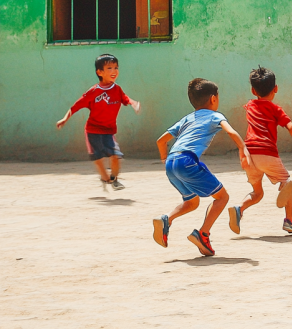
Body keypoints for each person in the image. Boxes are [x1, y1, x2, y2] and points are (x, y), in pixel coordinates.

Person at [153, 78, 252, 256]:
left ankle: (166, 219)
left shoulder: (187, 118)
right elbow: (230, 131)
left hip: (171, 162)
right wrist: (243, 147)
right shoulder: (215, 115)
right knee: (222, 197)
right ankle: (203, 233)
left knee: (192, 202)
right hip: (187, 161)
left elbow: (161, 141)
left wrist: (164, 159)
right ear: (213, 99)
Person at [228, 67, 292, 236]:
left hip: (248, 155)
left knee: (257, 193)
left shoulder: (250, 105)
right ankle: (289, 220)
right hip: (267, 153)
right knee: (287, 182)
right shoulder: (275, 109)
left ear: (252, 90)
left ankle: (239, 208)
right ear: (276, 89)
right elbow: (291, 127)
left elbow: (254, 104)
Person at [56, 54, 140, 191]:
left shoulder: (117, 89)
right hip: (93, 131)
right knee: (98, 158)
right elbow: (76, 106)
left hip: (109, 131)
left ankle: (114, 179)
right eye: (109, 68)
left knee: (115, 156)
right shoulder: (93, 91)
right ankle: (105, 178)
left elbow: (125, 98)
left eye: (116, 67)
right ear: (99, 72)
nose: (114, 71)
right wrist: (65, 118)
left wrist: (133, 103)